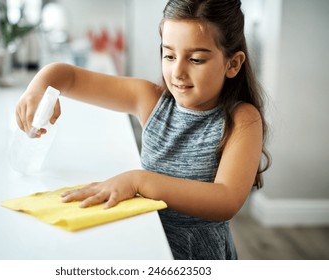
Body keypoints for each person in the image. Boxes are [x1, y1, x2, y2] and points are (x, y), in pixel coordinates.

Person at [15, 0, 270, 260]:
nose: (178, 72)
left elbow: (225, 201)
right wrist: (39, 86)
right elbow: (69, 77)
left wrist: (140, 180)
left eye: (195, 59)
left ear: (233, 64)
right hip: (147, 240)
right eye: (169, 55)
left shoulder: (242, 120)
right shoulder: (149, 99)